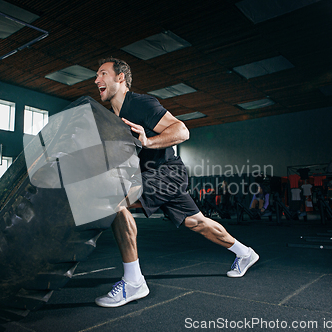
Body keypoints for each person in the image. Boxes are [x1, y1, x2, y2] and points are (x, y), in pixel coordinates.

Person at [93, 58, 259, 308]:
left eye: (103, 74)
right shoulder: (112, 118)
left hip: (167, 172)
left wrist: (148, 141)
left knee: (116, 199)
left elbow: (182, 131)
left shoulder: (140, 104)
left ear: (120, 78)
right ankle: (245, 253)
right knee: (198, 223)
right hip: (153, 175)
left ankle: (134, 282)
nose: (96, 80)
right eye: (96, 76)